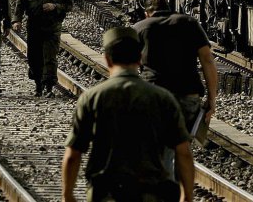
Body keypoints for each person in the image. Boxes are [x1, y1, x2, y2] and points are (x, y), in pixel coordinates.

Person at [61, 26, 194, 202]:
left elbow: (73, 154)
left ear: (107, 59)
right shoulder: (163, 98)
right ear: (139, 59)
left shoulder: (92, 98)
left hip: (107, 193)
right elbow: (183, 153)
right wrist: (187, 196)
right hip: (151, 194)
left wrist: (67, 195)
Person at [134, 0, 218, 159]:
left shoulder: (139, 27)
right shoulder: (189, 23)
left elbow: (128, 64)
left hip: (153, 94)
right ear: (169, 9)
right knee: (182, 147)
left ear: (147, 13)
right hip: (187, 95)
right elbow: (207, 60)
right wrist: (212, 98)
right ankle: (178, 172)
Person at [13, 0, 72, 97]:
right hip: (34, 26)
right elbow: (20, 4)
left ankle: (49, 86)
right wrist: (17, 20)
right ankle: (38, 84)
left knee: (50, 57)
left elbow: (69, 5)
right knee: (34, 57)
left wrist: (55, 6)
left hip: (52, 26)